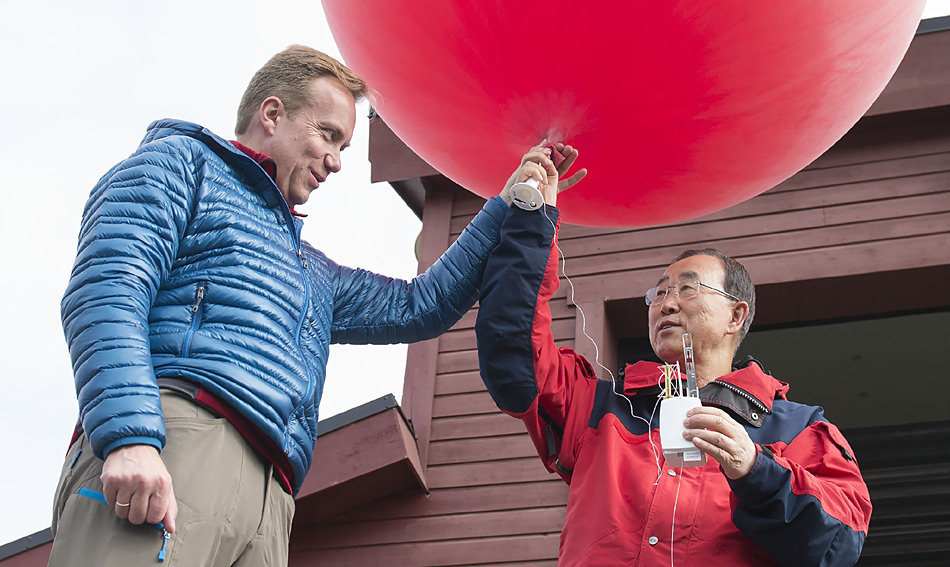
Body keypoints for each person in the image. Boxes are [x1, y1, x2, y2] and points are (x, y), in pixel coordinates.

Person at [49, 46, 583, 567]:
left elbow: (423, 303)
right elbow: (108, 285)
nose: (335, 161)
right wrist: (129, 436)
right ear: (273, 114)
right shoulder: (181, 163)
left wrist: (510, 200)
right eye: (329, 135)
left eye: (344, 146)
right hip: (177, 440)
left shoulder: (313, 271)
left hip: (273, 497)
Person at [474, 148, 872, 566]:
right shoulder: (596, 405)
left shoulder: (797, 428)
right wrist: (530, 218)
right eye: (659, 292)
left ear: (736, 315)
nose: (666, 304)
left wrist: (757, 470)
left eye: (687, 289)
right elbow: (510, 348)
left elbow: (839, 545)